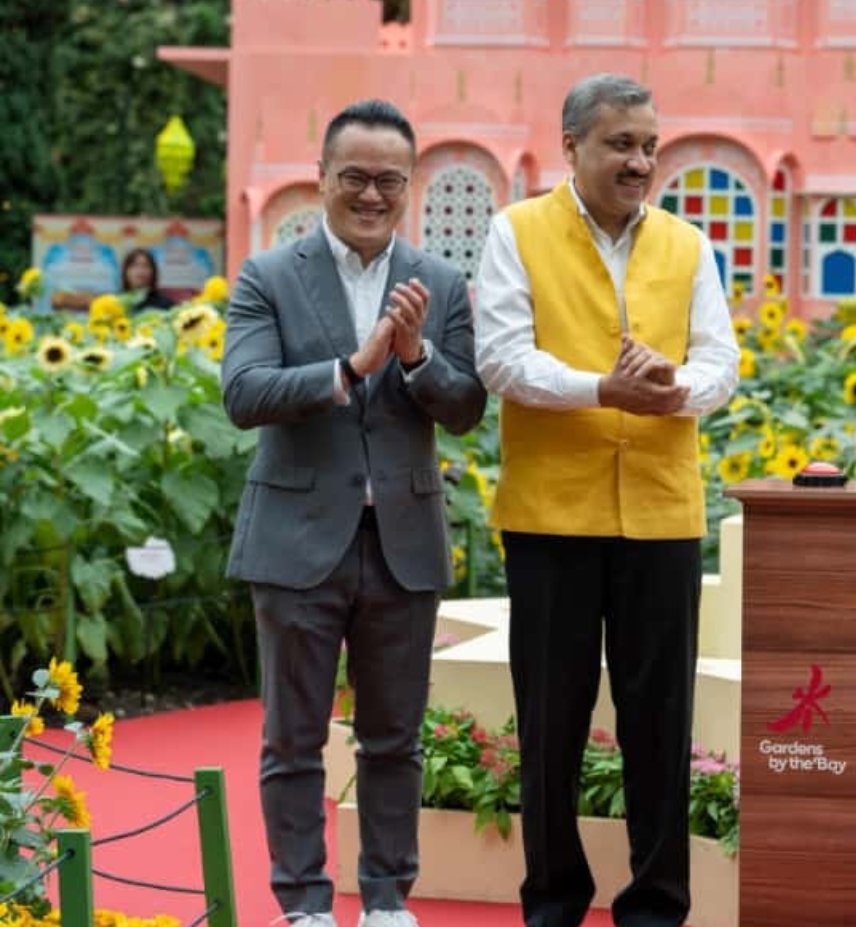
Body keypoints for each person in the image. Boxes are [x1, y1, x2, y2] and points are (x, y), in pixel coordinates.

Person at [472, 73, 739, 927]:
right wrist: (602, 389)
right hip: (551, 517)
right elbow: (502, 358)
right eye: (621, 143)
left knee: (659, 725)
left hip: (661, 514)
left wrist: (674, 387)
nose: (640, 161)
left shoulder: (689, 245)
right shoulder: (516, 233)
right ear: (573, 146)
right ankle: (552, 903)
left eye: (649, 145)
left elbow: (721, 363)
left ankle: (656, 908)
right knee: (550, 725)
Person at [221, 98, 488, 927]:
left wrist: (415, 358)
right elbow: (243, 393)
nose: (371, 195)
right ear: (323, 178)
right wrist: (348, 365)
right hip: (296, 541)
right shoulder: (268, 275)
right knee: (293, 739)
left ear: (409, 186)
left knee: (394, 739)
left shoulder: (439, 282)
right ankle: (302, 903)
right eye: (355, 178)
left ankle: (383, 899)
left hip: (403, 542)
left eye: (389, 181)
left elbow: (468, 406)